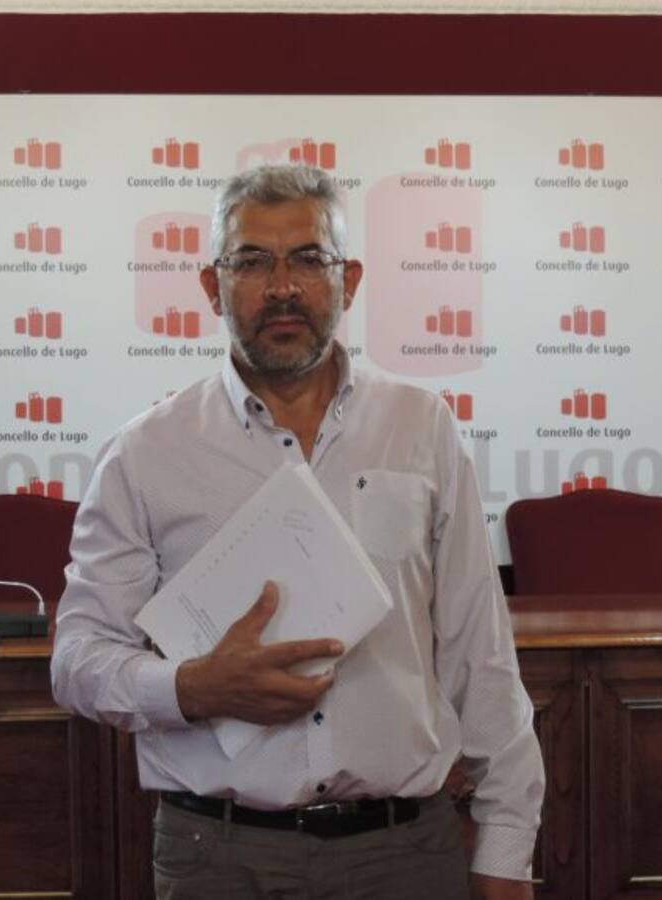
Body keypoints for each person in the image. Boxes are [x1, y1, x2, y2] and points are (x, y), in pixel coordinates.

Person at [51, 165, 544, 900]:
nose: (282, 287)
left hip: (403, 853)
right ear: (212, 287)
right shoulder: (145, 453)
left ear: (349, 280)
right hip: (219, 858)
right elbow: (77, 659)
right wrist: (191, 688)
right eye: (252, 262)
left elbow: (482, 652)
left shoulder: (421, 429)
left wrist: (506, 847)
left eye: (309, 259)